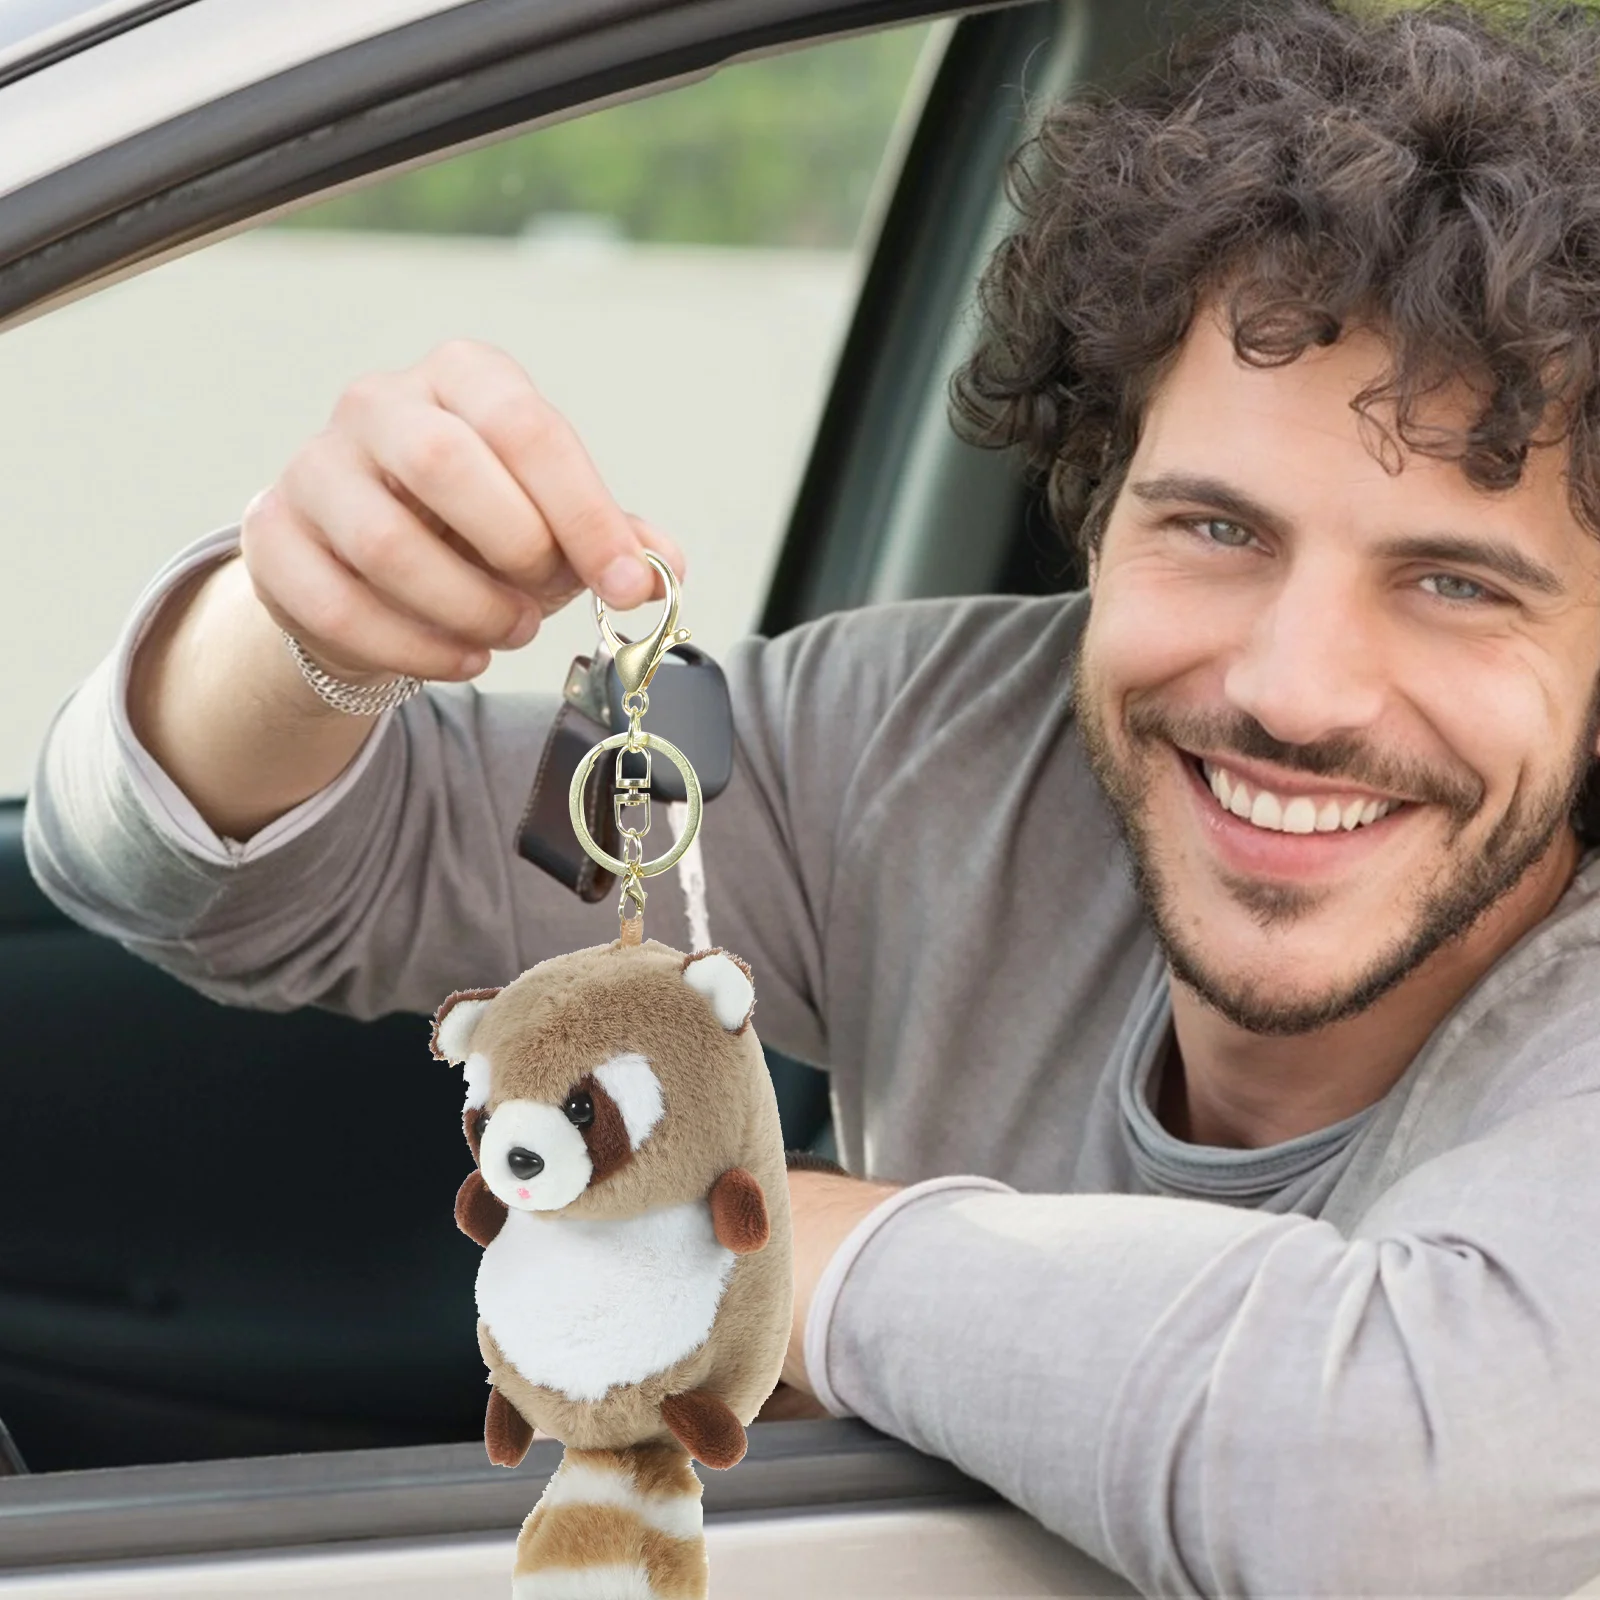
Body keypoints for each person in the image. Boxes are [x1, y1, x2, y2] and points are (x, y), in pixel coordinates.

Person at [24, 0, 1600, 1590]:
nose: (1294, 688)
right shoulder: (932, 741)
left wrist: (772, 1240)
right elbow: (199, 876)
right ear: (1098, 506)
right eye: (1216, 529)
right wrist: (305, 628)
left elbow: (1407, 1496)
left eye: (1458, 584)